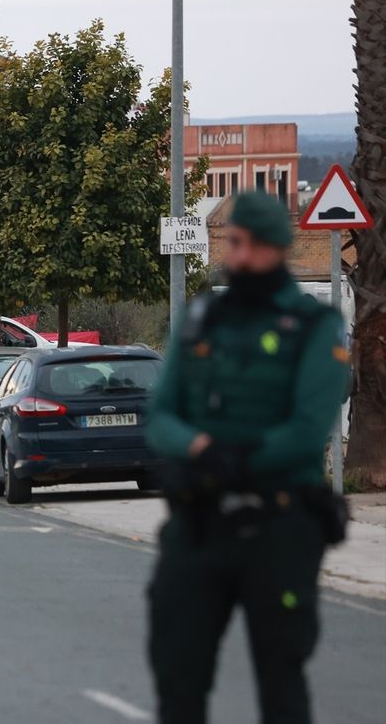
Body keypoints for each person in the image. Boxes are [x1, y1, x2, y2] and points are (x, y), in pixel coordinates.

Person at [144, 190, 350, 724]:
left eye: (251, 245)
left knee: (281, 680)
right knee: (177, 676)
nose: (239, 257)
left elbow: (308, 430)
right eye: (234, 242)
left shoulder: (314, 328)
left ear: (278, 248)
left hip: (280, 526)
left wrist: (238, 459)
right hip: (200, 523)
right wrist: (200, 450)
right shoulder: (200, 320)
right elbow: (161, 413)